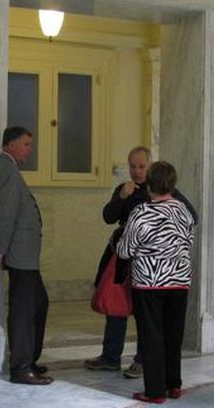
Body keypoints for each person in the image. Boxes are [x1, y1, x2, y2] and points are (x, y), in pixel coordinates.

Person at [84, 147, 197, 378]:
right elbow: (108, 217)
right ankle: (110, 357)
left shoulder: (164, 190)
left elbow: (192, 216)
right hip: (121, 257)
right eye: (133, 166)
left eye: (141, 166)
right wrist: (121, 198)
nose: (136, 171)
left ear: (150, 166)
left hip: (148, 263)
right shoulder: (124, 189)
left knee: (145, 312)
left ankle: (142, 360)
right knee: (116, 305)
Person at [116, 161, 196, 404]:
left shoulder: (141, 212)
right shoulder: (184, 211)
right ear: (172, 183)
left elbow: (125, 250)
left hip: (149, 283)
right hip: (179, 282)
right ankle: (174, 385)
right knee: (174, 335)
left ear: (150, 184)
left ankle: (155, 391)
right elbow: (188, 243)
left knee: (151, 337)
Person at [0, 126, 52, 386]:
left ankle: (28, 360)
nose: (29, 150)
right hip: (20, 253)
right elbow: (6, 214)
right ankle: (21, 367)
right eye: (26, 144)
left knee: (38, 303)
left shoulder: (3, 169)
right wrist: (0, 249)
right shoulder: (7, 171)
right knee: (24, 310)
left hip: (24, 254)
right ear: (10, 145)